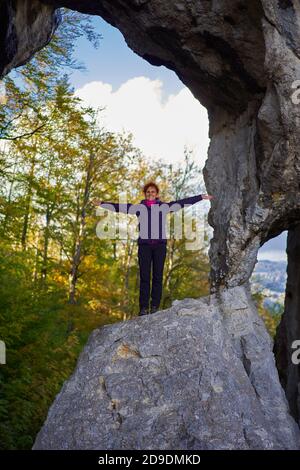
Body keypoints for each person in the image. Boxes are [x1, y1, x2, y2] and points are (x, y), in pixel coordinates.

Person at [92, 181, 213, 316]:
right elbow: (120, 207)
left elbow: (183, 202)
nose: (150, 194)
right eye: (148, 192)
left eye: (153, 192)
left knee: (157, 277)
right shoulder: (138, 208)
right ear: (145, 194)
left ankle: (155, 307)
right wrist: (102, 203)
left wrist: (200, 197)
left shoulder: (164, 207)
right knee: (144, 278)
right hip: (144, 247)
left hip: (159, 247)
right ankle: (143, 308)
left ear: (157, 194)